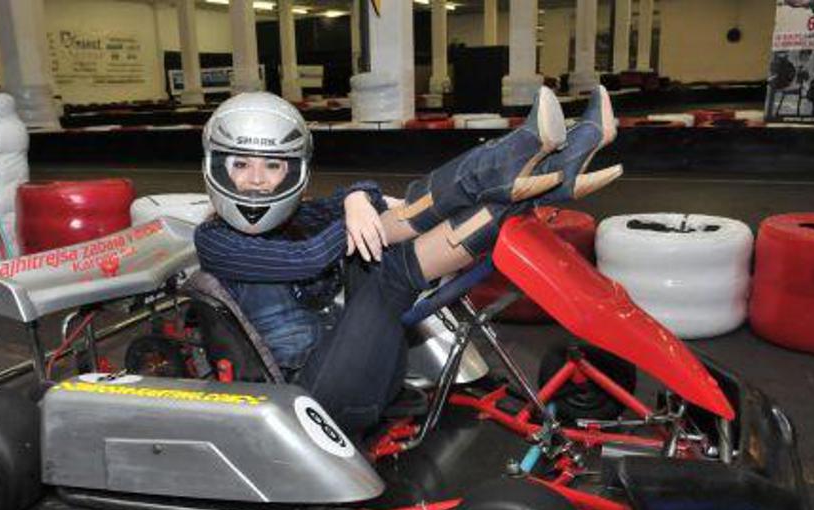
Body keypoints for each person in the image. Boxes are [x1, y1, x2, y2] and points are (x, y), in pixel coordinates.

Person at [194, 88, 620, 438]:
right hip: (310, 401)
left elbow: (360, 199)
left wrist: (357, 198)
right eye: (240, 164)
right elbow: (305, 260)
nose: (256, 179)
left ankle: (553, 174)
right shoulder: (214, 240)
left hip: (359, 371)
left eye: (272, 165)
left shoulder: (297, 217)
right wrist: (360, 214)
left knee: (385, 239)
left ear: (293, 171)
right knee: (383, 262)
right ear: (217, 167)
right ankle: (519, 154)